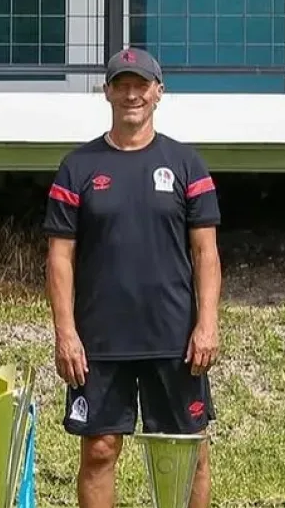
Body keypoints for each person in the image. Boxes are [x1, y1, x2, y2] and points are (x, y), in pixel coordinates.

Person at [42, 47, 222, 508]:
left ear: (159, 93)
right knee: (99, 451)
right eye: (121, 85)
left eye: (140, 85)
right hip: (100, 340)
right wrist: (66, 334)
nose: (131, 94)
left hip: (174, 338)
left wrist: (207, 325)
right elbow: (59, 258)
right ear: (107, 92)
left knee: (188, 454)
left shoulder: (186, 164)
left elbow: (206, 253)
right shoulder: (77, 167)